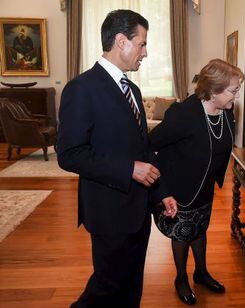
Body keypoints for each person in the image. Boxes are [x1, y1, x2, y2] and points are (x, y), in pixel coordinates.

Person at [57, 9, 177, 308]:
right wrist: (128, 170)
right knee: (106, 287)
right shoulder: (81, 89)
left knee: (132, 285)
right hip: (108, 211)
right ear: (122, 41)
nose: (145, 53)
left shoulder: (132, 89)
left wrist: (162, 193)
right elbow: (69, 154)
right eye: (142, 44)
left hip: (139, 210)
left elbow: (144, 150)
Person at [149, 59, 244, 305]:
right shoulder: (184, 114)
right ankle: (181, 278)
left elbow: (222, 146)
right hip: (180, 187)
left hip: (205, 187)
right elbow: (150, 145)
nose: (237, 95)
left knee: (199, 229)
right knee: (182, 234)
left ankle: (201, 273)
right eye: (233, 90)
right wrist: (161, 188)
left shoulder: (227, 110)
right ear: (214, 91)